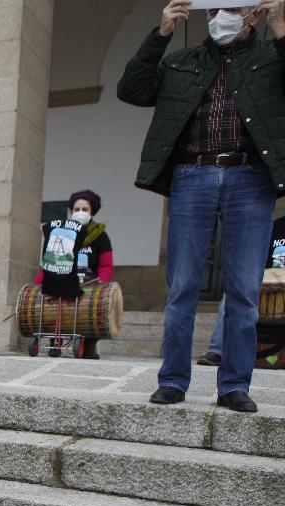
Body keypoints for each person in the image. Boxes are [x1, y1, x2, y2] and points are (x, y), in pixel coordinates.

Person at [119, 0, 285, 413]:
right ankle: (173, 380)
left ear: (255, 14)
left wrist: (282, 28)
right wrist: (160, 34)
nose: (219, 19)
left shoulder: (270, 56)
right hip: (193, 174)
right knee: (182, 285)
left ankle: (233, 385)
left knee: (245, 290)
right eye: (212, 12)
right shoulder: (182, 61)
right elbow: (132, 89)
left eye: (229, 9)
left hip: (250, 176)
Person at [33, 190, 115, 359]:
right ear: (71, 210)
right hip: (63, 277)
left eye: (85, 209)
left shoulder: (100, 235)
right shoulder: (61, 231)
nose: (80, 212)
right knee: (54, 302)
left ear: (92, 211)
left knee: (93, 306)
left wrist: (102, 284)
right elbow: (52, 259)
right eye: (76, 209)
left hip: (89, 282)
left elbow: (106, 264)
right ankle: (54, 341)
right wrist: (39, 284)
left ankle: (90, 344)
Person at [198, 214, 284, 365]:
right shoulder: (275, 226)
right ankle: (217, 351)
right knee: (232, 294)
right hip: (267, 287)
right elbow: (257, 257)